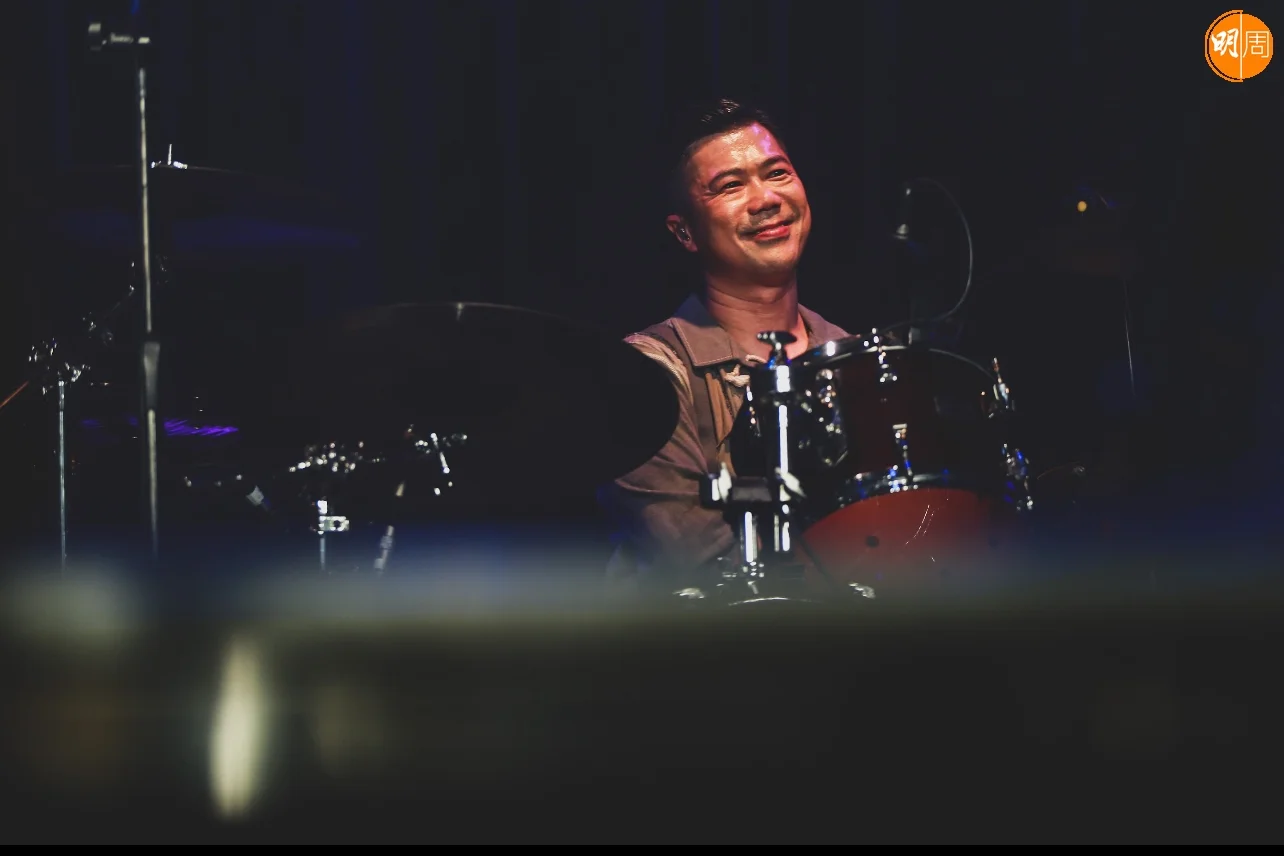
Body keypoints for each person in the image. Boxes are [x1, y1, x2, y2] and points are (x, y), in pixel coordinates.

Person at [599, 98, 851, 591]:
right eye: (731, 186)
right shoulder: (642, 376)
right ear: (684, 232)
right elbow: (706, 565)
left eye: (777, 173)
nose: (765, 199)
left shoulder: (854, 357)